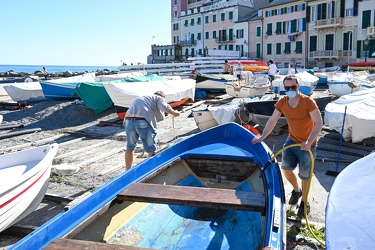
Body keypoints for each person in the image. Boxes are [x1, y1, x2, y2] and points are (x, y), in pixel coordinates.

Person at [252, 75, 323, 218]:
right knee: (286, 169)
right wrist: (262, 137)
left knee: (305, 176)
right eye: (287, 88)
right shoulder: (283, 102)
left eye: (293, 87)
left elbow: (319, 123)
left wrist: (309, 141)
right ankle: (296, 190)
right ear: (284, 88)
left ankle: (304, 202)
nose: (290, 90)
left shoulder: (308, 102)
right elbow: (272, 120)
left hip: (308, 145)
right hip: (292, 141)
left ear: (298, 86)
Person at [124, 91, 180, 170]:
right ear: (162, 97)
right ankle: (150, 170)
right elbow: (164, 107)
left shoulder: (144, 97)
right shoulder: (159, 98)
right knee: (151, 149)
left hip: (128, 121)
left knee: (130, 147)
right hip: (142, 121)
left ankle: (128, 170)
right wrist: (174, 112)